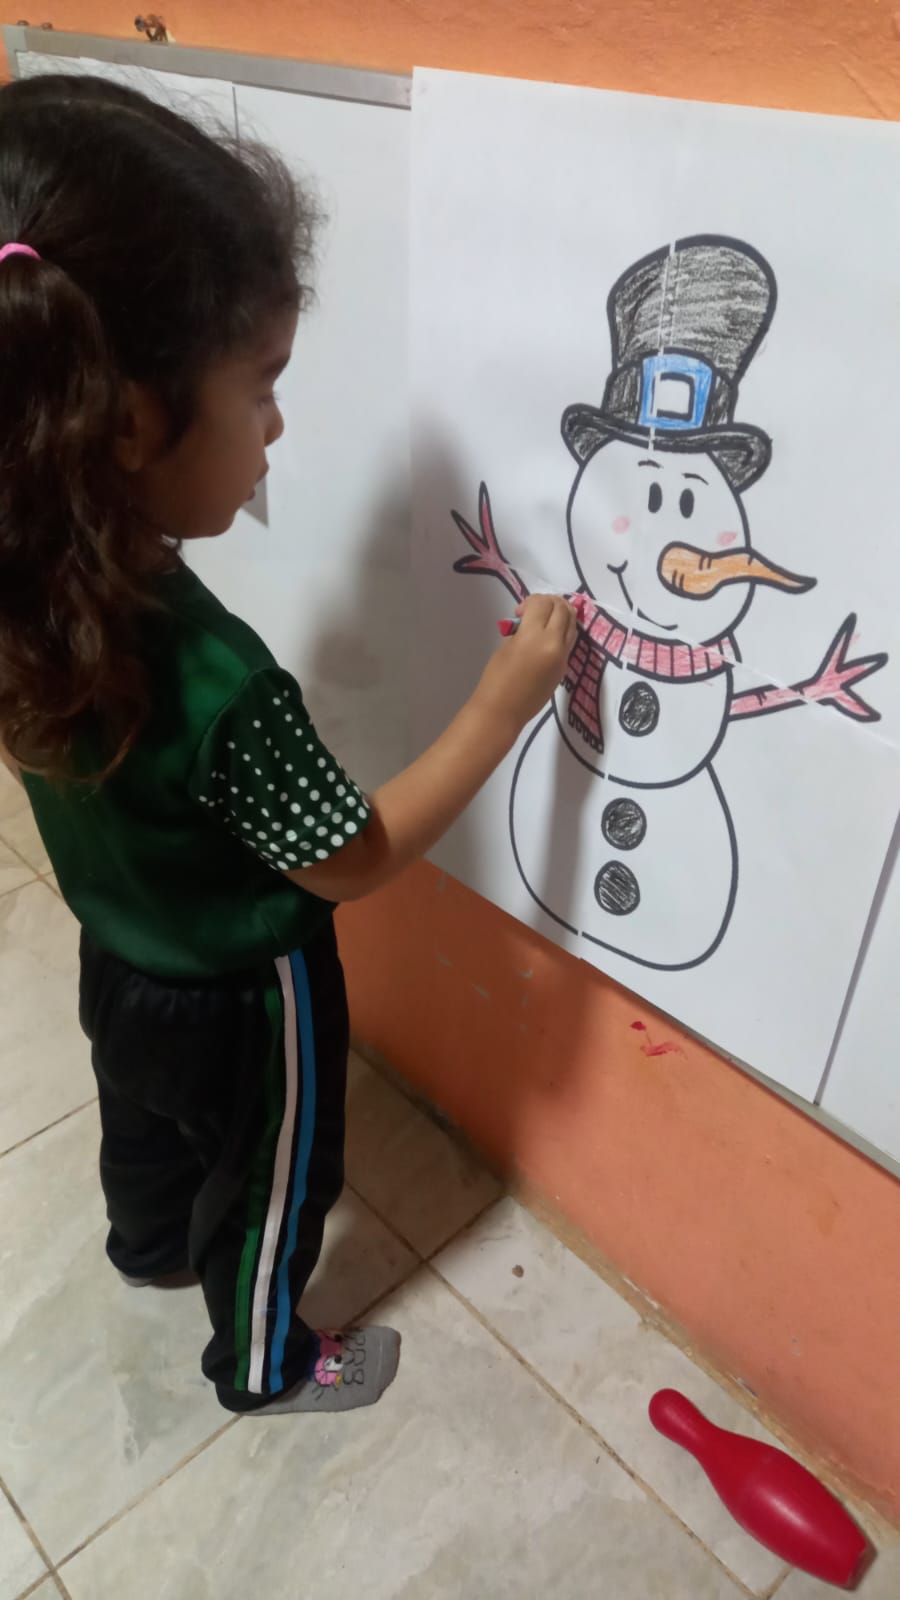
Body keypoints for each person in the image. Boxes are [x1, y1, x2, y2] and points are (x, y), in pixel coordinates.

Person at [0, 72, 576, 1416]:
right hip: (246, 996)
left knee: (145, 1125)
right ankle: (264, 1363)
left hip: (118, 962)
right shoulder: (223, 683)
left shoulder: (27, 580)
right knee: (272, 1179)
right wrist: (501, 706)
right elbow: (349, 860)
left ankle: (146, 1243)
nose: (276, 429)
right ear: (128, 421)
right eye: (262, 388)